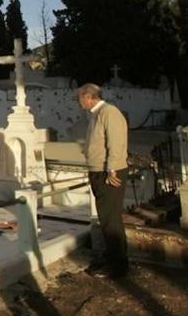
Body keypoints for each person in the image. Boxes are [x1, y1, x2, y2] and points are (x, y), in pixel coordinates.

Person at [77, 83, 129, 278]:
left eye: (79, 98)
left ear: (88, 96)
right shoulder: (97, 114)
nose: (79, 102)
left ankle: (118, 265)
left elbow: (116, 141)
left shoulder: (109, 112)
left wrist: (112, 169)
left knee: (110, 220)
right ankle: (110, 258)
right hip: (99, 171)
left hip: (109, 173)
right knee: (106, 218)